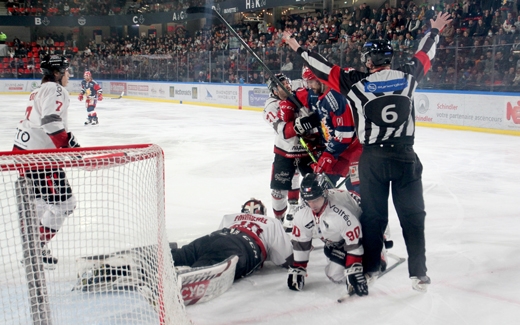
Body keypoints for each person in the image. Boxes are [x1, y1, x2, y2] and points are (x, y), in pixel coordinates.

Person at [283, 12, 453, 293]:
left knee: (374, 216)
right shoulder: (408, 76)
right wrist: (434, 30)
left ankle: (371, 267)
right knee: (413, 216)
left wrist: (298, 47)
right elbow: (425, 54)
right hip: (405, 157)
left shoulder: (356, 82)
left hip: (372, 158)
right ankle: (419, 274)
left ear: (369, 61)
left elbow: (323, 68)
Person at [12, 54, 79, 265]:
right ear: (57, 73)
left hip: (23, 153)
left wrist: (69, 142)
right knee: (65, 204)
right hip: (40, 159)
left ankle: (32, 250)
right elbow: (50, 121)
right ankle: (35, 248)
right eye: (66, 71)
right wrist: (69, 146)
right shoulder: (55, 89)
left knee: (39, 203)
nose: (69, 75)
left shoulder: (36, 91)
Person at [287, 173, 368, 297]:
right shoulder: (302, 214)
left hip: (365, 230)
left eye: (315, 200)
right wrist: (298, 268)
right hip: (337, 241)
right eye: (308, 200)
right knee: (334, 273)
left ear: (325, 194)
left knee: (340, 273)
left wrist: (353, 269)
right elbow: (300, 242)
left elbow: (355, 241)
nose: (312, 205)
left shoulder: (340, 212)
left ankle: (378, 255)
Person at [170, 198, 294, 280]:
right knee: (204, 269)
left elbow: (218, 243)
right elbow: (286, 259)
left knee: (184, 254)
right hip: (241, 245)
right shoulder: (271, 222)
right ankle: (180, 281)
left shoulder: (230, 217)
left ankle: (158, 257)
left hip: (214, 237)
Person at [263, 73, 320, 230]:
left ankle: (308, 219)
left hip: (307, 150)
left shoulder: (299, 96)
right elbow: (283, 131)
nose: (287, 86)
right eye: (282, 85)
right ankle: (278, 223)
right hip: (285, 152)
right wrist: (306, 122)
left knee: (314, 184)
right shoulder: (271, 105)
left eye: (287, 83)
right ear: (274, 91)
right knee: (278, 190)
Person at [299, 67, 363, 193]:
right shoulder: (322, 95)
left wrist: (327, 155)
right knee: (324, 181)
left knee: (356, 187)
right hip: (340, 151)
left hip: (355, 150)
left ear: (320, 79)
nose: (309, 86)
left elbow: (345, 134)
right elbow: (328, 124)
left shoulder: (335, 96)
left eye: (311, 81)